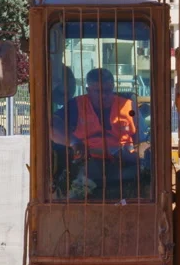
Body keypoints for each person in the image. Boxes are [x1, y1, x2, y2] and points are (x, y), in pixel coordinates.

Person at [51, 68, 149, 198]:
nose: (103, 96)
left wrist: (136, 155)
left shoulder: (129, 107)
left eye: (107, 91)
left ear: (113, 87)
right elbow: (52, 125)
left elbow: (143, 142)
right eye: (98, 91)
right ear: (88, 91)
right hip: (87, 167)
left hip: (125, 166)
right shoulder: (76, 106)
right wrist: (74, 142)